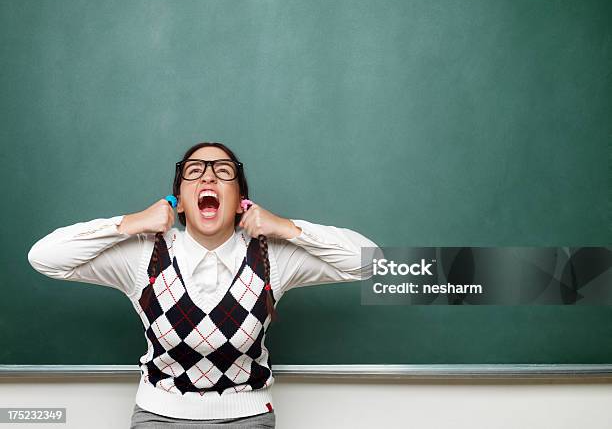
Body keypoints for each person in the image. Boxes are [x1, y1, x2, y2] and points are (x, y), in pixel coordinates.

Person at [27, 141, 381, 428]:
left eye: (223, 172)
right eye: (194, 172)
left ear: (242, 202)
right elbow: (44, 257)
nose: (208, 179)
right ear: (179, 202)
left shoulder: (271, 256)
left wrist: (286, 227)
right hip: (156, 418)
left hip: (249, 418)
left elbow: (371, 261)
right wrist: (132, 223)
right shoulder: (144, 255)